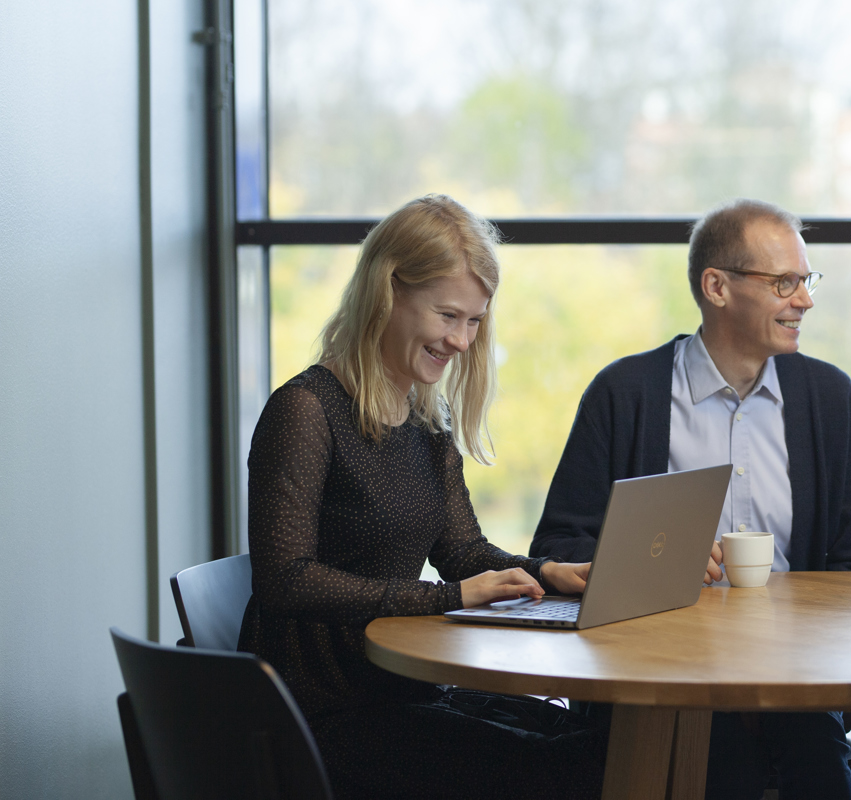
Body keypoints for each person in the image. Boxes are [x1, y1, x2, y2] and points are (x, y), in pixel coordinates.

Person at [239, 195, 605, 800]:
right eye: (448, 316)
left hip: (397, 688)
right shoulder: (304, 411)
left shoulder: (425, 424)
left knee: (592, 737)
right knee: (566, 769)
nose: (462, 340)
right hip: (325, 712)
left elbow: (461, 550)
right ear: (387, 293)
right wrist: (447, 598)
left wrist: (546, 572)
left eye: (475, 322)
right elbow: (285, 579)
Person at [530, 198, 851, 800]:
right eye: (784, 283)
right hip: (659, 682)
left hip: (797, 685)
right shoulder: (625, 394)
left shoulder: (831, 400)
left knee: (822, 778)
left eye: (806, 281)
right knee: (720, 773)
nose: (805, 300)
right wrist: (652, 563)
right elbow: (559, 548)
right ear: (716, 286)